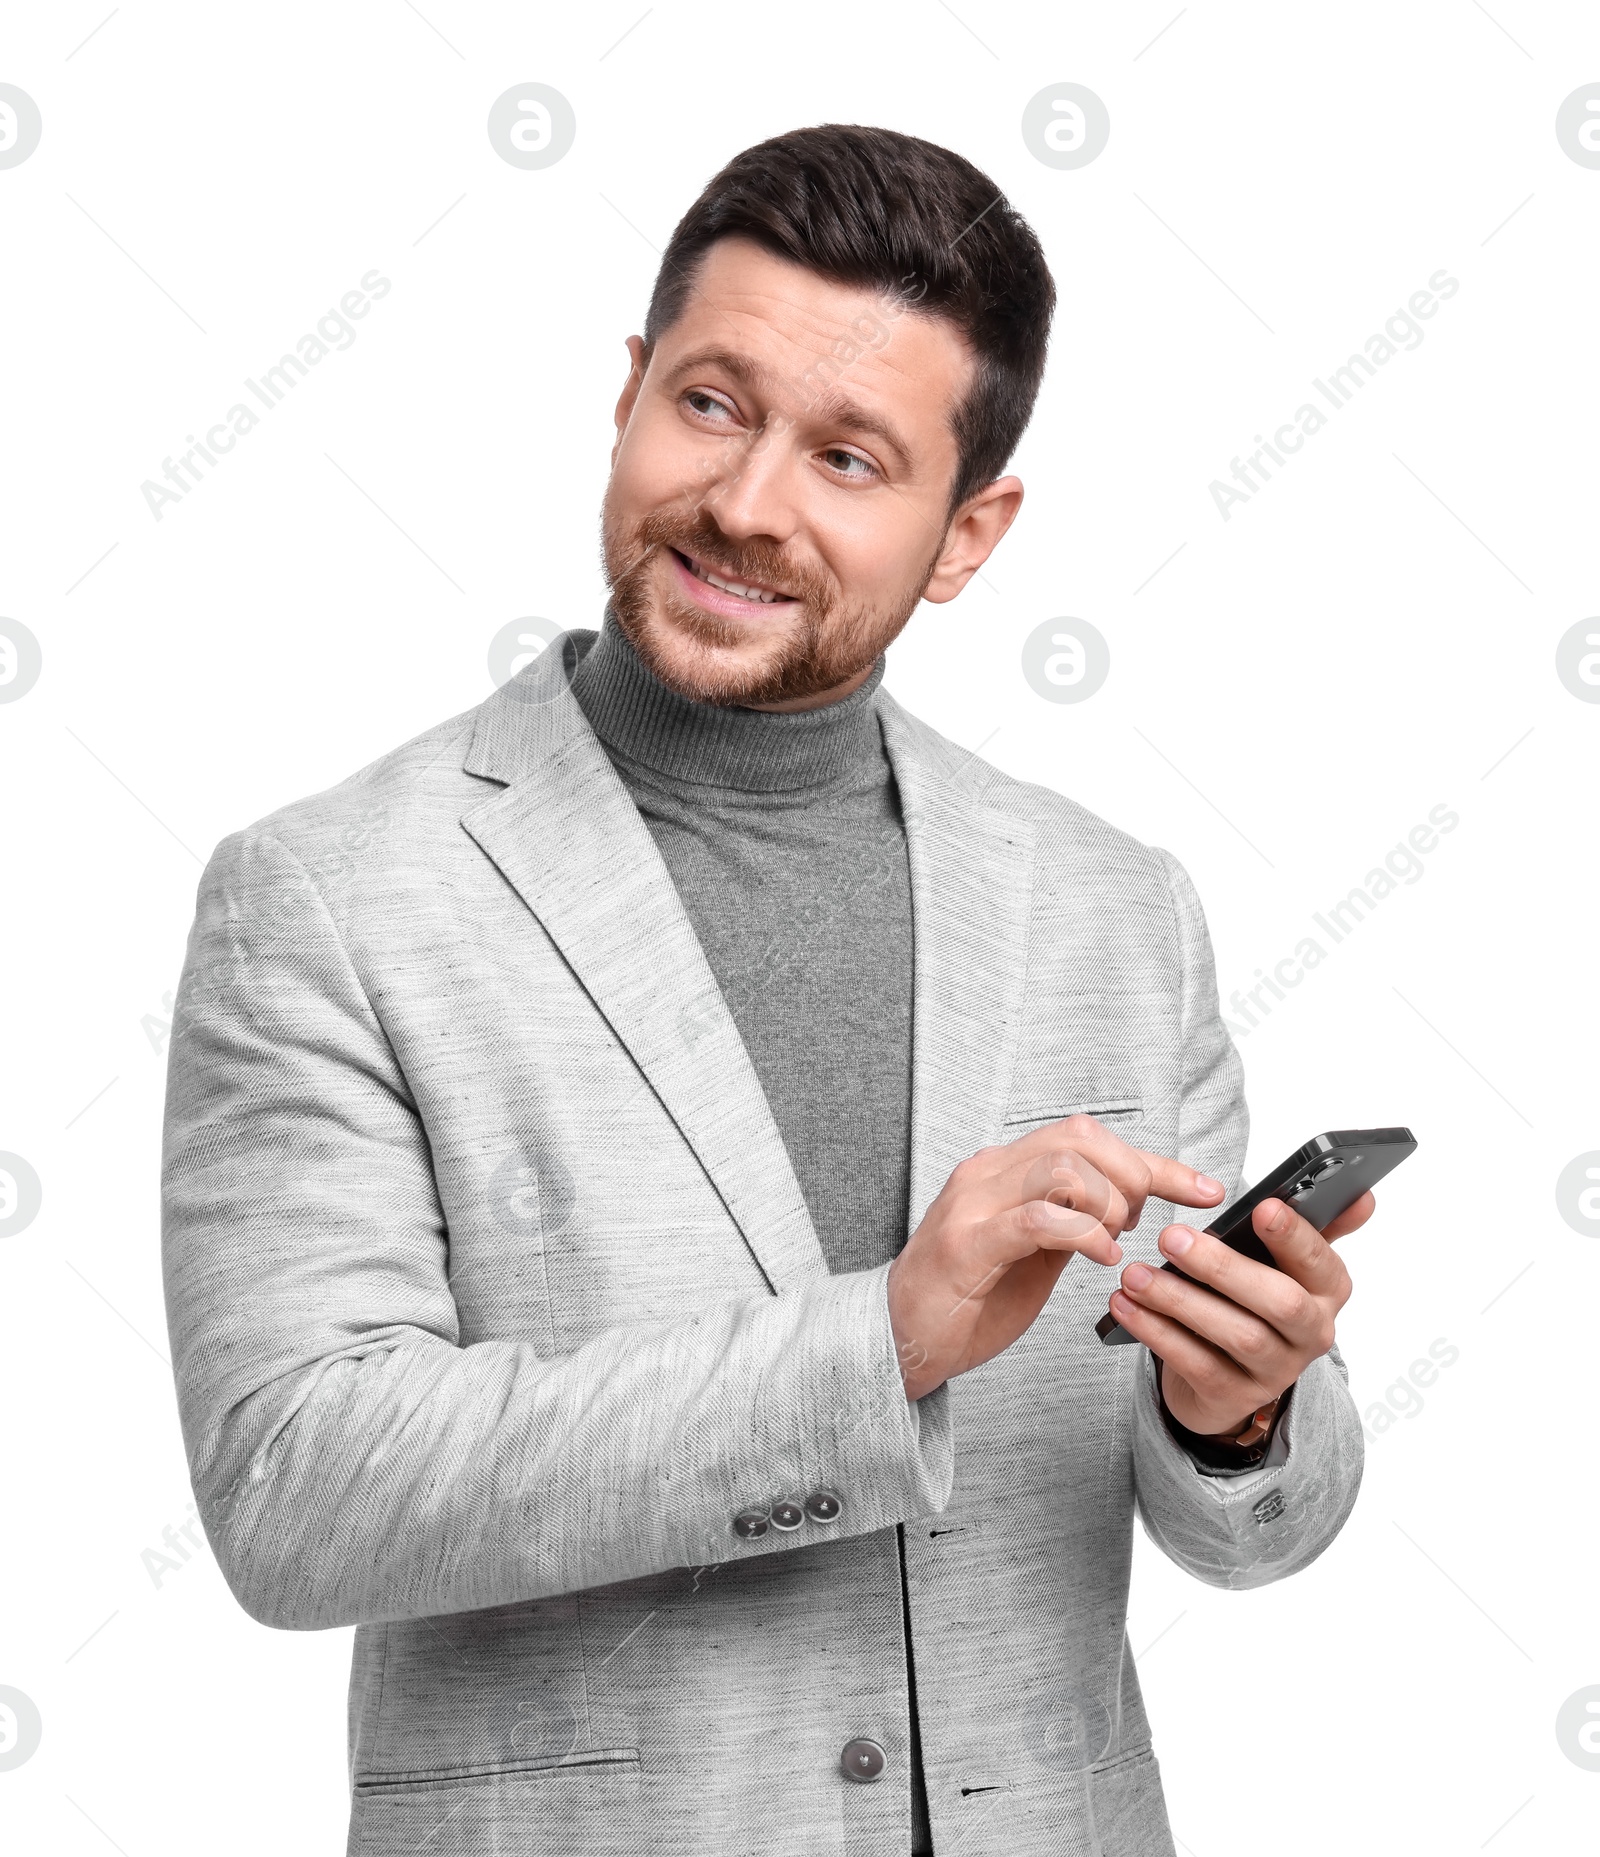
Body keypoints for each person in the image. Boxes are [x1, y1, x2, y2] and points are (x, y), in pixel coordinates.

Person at [161, 124, 1371, 1857]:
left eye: (852, 458)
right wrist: (879, 1343)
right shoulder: (332, 894)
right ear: (632, 385)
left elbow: (1258, 1527)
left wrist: (1239, 1407)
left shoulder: (1117, 906)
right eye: (712, 405)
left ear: (969, 533)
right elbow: (296, 1489)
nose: (744, 503)